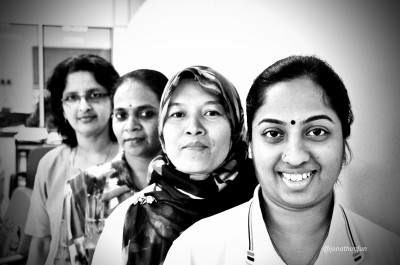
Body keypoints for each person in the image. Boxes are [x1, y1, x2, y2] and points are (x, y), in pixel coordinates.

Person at [163, 56, 400, 265]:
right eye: (274, 133)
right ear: (250, 142)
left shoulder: (388, 253)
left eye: (317, 132)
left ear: (344, 137)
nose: (295, 157)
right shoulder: (197, 252)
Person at [92, 66, 258, 265]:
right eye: (178, 114)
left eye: (211, 112)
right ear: (162, 130)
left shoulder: (270, 207)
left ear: (235, 125)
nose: (194, 128)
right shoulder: (128, 219)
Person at [63, 69, 168, 264]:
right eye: (121, 115)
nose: (131, 125)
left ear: (169, 116)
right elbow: (74, 260)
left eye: (146, 114)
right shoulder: (85, 188)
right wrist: (99, 235)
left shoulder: (193, 185)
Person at [25, 54, 120, 265]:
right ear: (63, 107)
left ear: (113, 99)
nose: (83, 106)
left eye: (94, 94)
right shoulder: (49, 164)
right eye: (72, 97)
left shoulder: (133, 161)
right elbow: (41, 243)